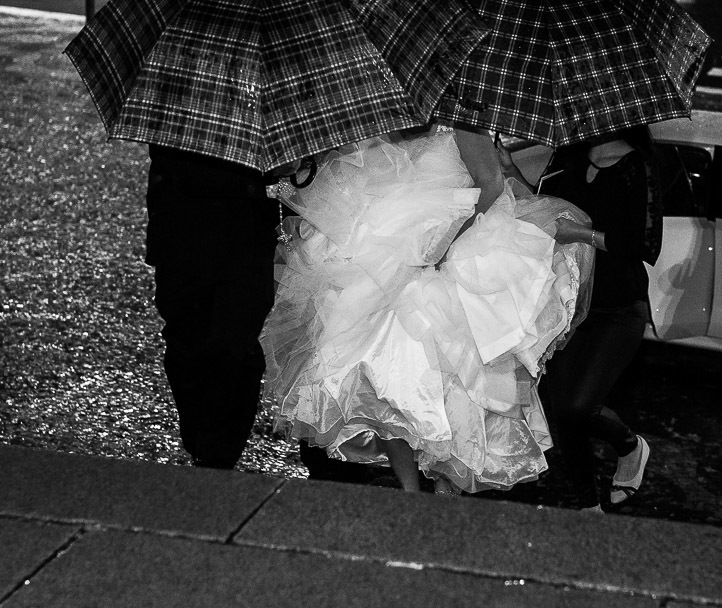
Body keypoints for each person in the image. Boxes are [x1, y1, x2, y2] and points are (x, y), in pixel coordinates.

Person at [257, 124, 593, 493]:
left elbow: (491, 184)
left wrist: (443, 244)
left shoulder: (462, 122)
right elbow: (349, 185)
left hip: (455, 253)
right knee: (378, 377)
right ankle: (409, 490)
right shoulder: (381, 124)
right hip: (386, 259)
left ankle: (445, 485)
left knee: (451, 382)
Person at [499, 126, 661, 512]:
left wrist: (583, 235)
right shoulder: (568, 156)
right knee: (564, 412)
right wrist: (508, 169)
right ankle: (587, 509)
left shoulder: (638, 167)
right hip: (567, 302)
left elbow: (644, 244)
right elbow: (545, 206)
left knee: (578, 407)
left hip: (619, 307)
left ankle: (630, 446)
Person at [145, 144, 278, 469]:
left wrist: (284, 175)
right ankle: (203, 439)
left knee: (235, 346)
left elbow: (282, 188)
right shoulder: (178, 102)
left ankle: (218, 450)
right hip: (182, 229)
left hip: (247, 235)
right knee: (186, 343)